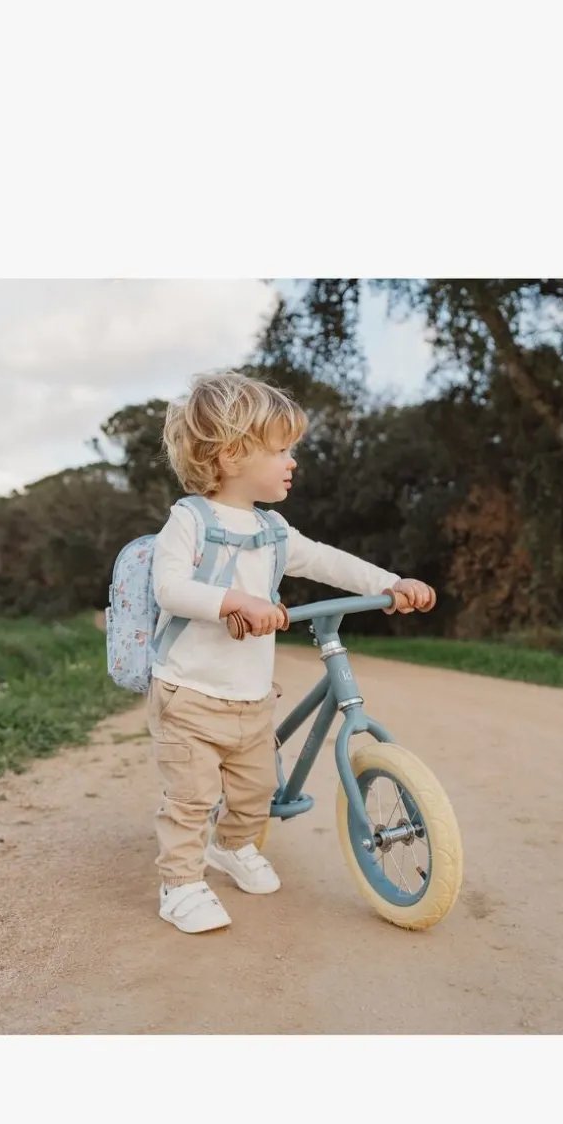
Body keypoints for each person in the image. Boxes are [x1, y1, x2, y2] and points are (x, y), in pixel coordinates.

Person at [147, 371, 435, 934]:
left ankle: (231, 848)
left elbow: (328, 562)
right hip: (189, 692)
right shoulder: (190, 520)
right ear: (231, 455)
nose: (291, 460)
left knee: (256, 791)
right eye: (279, 448)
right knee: (191, 798)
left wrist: (392, 580)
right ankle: (179, 884)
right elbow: (170, 588)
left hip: (251, 697)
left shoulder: (273, 530)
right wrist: (232, 599)